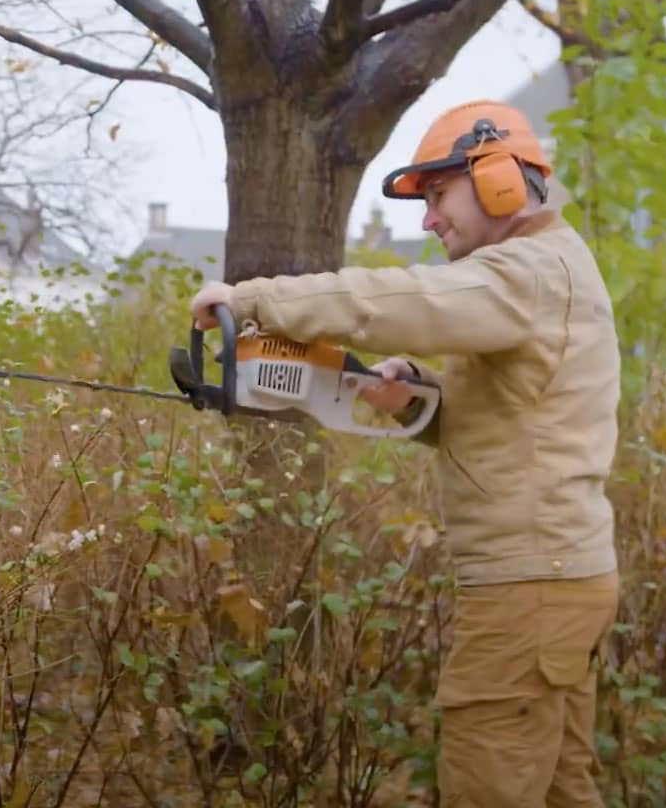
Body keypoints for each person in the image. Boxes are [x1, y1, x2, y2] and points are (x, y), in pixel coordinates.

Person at [190, 100, 622, 807]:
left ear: (498, 181)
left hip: (528, 589)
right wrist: (416, 396)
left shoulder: (527, 273)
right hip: (557, 577)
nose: (428, 220)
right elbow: (514, 413)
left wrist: (254, 299)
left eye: (436, 195)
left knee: (489, 789)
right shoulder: (539, 276)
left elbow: (405, 300)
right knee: (558, 790)